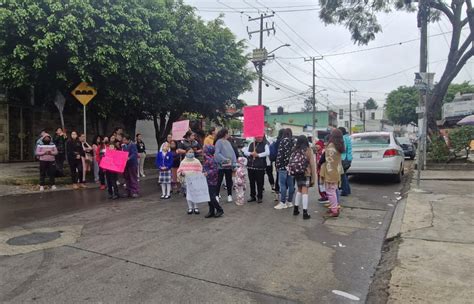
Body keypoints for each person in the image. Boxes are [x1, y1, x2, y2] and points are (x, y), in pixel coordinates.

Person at [288, 135, 316, 220]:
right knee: (305, 191)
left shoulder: (294, 149)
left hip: (297, 173)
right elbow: (312, 164)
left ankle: (296, 209)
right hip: (306, 173)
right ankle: (305, 212)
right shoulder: (308, 150)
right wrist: (313, 178)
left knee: (299, 189)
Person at [320, 129, 345, 217]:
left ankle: (334, 210)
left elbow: (324, 158)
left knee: (330, 191)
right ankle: (334, 207)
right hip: (336, 171)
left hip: (330, 172)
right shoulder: (340, 146)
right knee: (333, 190)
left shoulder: (331, 146)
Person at [243, 135, 270, 203]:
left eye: (261, 137)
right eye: (258, 137)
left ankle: (260, 197)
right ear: (255, 137)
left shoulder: (265, 145)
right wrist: (251, 153)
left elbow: (267, 152)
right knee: (252, 182)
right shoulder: (251, 144)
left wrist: (258, 155)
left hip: (260, 166)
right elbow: (245, 152)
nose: (260, 138)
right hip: (251, 166)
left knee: (260, 183)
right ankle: (252, 196)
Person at [274, 129, 296, 210]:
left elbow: (280, 154)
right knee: (291, 185)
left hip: (283, 166)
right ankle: (289, 202)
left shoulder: (283, 141)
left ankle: (282, 202)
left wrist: (277, 165)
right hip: (291, 166)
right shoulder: (294, 141)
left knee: (282, 184)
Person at [177, 148, 203, 214]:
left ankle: (196, 207)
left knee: (195, 194)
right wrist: (181, 173)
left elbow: (200, 169)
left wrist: (198, 175)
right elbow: (179, 170)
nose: (191, 153)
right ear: (186, 153)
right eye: (189, 152)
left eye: (192, 152)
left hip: (195, 180)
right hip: (187, 180)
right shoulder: (183, 162)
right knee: (189, 194)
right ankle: (190, 208)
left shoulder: (196, 161)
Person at [214, 128, 237, 203]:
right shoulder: (218, 142)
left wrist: (234, 162)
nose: (228, 135)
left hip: (229, 165)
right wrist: (224, 159)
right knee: (219, 180)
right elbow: (217, 153)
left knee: (229, 180)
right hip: (221, 165)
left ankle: (229, 195)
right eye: (228, 133)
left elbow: (232, 153)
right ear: (225, 134)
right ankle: (216, 195)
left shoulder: (228, 142)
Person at [202, 145, 224, 218]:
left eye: (204, 150)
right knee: (208, 197)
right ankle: (211, 211)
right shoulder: (206, 159)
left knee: (212, 197)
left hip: (212, 181)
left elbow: (215, 170)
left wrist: (207, 173)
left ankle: (219, 209)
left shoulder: (211, 159)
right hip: (207, 180)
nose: (203, 151)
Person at [338, 127, 352, 196]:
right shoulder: (348, 137)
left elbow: (343, 149)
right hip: (348, 159)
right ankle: (347, 190)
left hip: (344, 159)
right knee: (345, 175)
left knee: (342, 176)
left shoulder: (343, 138)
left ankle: (345, 191)